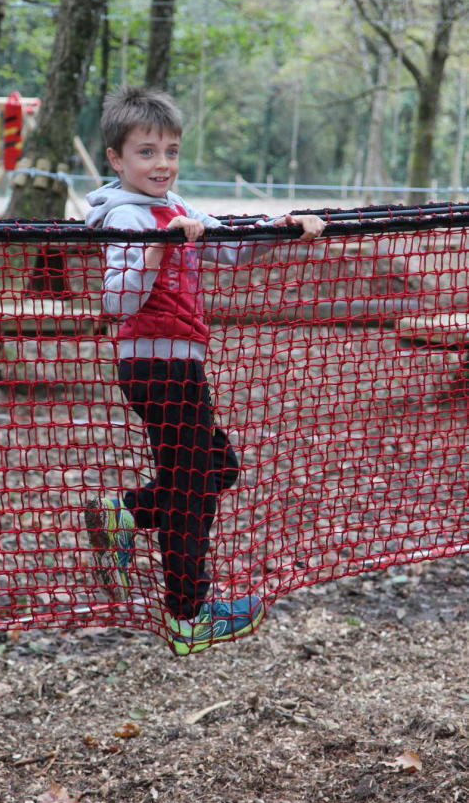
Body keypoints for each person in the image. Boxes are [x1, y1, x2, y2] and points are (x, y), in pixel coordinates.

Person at [84, 85, 324, 655]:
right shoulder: (126, 217)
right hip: (153, 368)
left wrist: (283, 228)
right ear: (117, 158)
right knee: (195, 485)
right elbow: (118, 304)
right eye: (146, 152)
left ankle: (128, 513)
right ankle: (188, 614)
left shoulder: (180, 208)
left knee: (217, 468)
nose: (161, 163)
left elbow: (231, 248)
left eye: (170, 150)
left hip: (181, 367)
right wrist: (154, 252)